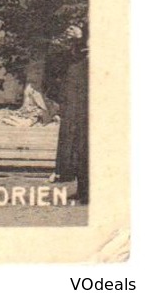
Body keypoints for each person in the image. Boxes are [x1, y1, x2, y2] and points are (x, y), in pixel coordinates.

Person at [56, 34, 89, 204]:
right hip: (74, 111)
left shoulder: (87, 65)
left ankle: (88, 192)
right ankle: (82, 189)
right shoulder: (72, 64)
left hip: (86, 111)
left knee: (85, 146)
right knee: (76, 147)